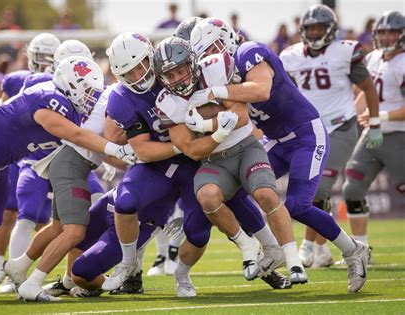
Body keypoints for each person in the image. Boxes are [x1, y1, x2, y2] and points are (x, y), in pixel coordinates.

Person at [189, 17, 370, 293]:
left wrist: (213, 91)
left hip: (306, 135)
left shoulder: (248, 52)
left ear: (225, 39)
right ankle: (270, 247)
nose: (211, 59)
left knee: (297, 205)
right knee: (237, 189)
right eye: (206, 54)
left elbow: (261, 90)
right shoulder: (220, 72)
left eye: (213, 49)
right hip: (276, 140)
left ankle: (352, 250)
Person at [101, 32, 289, 297]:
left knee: (211, 220)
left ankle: (264, 264)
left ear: (151, 57)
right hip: (165, 161)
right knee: (127, 202)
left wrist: (215, 128)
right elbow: (139, 148)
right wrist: (183, 144)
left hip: (201, 159)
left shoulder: (180, 67)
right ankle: (129, 267)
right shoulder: (121, 97)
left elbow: (233, 109)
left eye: (141, 66)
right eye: (129, 73)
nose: (138, 76)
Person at [0, 56, 136, 297]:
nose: (90, 94)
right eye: (86, 89)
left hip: (0, 163)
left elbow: (8, 108)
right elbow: (76, 135)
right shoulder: (50, 100)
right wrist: (113, 149)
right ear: (69, 82)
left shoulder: (63, 98)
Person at [154, 36, 304, 286]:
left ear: (193, 62)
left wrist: (206, 125)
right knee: (201, 222)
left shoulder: (215, 69)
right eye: (170, 75)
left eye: (181, 70)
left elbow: (241, 115)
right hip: (211, 162)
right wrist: (221, 131)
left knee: (265, 194)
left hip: (245, 148)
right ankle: (247, 249)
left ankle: (289, 259)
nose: (178, 78)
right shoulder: (166, 102)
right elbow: (191, 149)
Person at [280, 4, 381, 268]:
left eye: (319, 27)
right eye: (310, 27)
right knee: (309, 190)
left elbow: (368, 87)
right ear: (302, 30)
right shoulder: (290, 56)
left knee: (318, 189)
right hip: (308, 132)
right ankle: (322, 251)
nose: (314, 32)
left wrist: (375, 122)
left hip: (340, 128)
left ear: (331, 29)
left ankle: (309, 246)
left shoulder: (345, 51)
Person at [342, 10, 404, 261]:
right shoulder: (373, 58)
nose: (387, 37)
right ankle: (361, 250)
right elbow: (365, 94)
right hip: (372, 136)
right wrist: (349, 115)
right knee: (352, 189)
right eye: (382, 32)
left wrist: (383, 117)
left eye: (392, 32)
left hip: (399, 136)